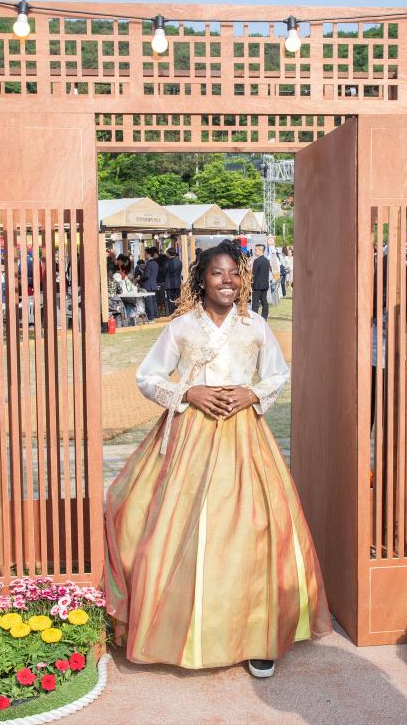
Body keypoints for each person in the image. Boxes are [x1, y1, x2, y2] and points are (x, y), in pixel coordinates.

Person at [104, 240, 330, 678]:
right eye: (217, 274)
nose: (227, 281)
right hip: (191, 435)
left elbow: (278, 374)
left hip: (245, 437)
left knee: (252, 528)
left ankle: (257, 635)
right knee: (180, 528)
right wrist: (188, 392)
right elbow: (147, 377)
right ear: (201, 279)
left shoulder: (255, 326)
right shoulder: (182, 328)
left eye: (234, 274)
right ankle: (185, 626)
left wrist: (252, 392)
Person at [140, 247, 160, 322]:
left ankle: (151, 317)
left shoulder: (149, 263)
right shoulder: (155, 263)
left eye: (145, 254)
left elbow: (147, 275)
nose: (144, 255)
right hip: (154, 284)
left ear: (148, 255)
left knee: (149, 302)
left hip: (148, 285)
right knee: (153, 301)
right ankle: (156, 315)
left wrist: (140, 278)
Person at [250, 244, 271, 318]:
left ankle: (255, 319)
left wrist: (250, 283)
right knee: (264, 302)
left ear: (259, 250)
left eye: (256, 250)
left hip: (257, 285)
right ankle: (264, 317)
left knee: (255, 304)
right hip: (265, 285)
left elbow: (253, 274)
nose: (255, 251)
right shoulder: (267, 261)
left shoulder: (257, 261)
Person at [163, 247, 182, 315]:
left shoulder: (167, 263)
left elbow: (164, 272)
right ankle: (178, 312)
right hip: (177, 283)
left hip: (169, 285)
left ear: (168, 254)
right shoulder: (179, 262)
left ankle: (172, 313)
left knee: (170, 300)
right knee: (178, 299)